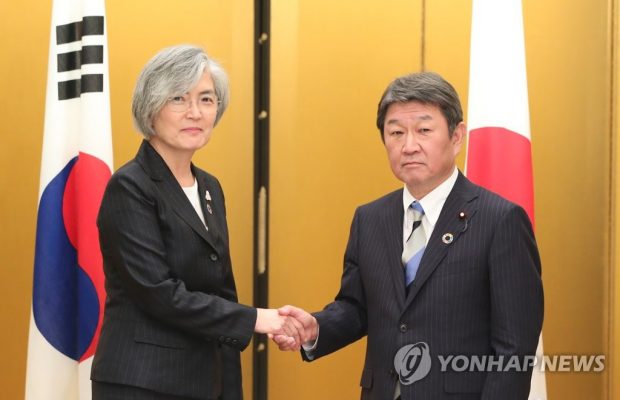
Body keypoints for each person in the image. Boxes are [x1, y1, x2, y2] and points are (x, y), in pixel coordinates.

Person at [273, 72, 544, 400]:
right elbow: (357, 307)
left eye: (424, 130)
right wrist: (316, 328)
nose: (409, 145)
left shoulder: (500, 220)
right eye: (396, 133)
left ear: (457, 136)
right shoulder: (370, 219)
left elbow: (514, 348)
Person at [91, 45, 303, 400]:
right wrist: (255, 319)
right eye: (179, 98)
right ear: (151, 108)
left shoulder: (209, 187)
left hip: (207, 382)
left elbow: (221, 291)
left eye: (206, 99)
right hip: (142, 383)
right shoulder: (130, 186)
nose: (195, 112)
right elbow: (159, 294)